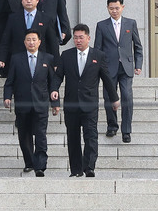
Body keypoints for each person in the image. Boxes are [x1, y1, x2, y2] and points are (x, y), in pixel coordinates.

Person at [51, 23, 119, 178]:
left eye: (81, 37)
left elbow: (107, 79)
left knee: (90, 136)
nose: (78, 40)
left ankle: (89, 167)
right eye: (75, 38)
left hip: (90, 104)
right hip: (71, 104)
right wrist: (54, 89)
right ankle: (76, 169)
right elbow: (58, 76)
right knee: (73, 138)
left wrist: (114, 99)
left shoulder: (98, 56)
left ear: (88, 38)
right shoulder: (66, 55)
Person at [3, 29, 59, 176]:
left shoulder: (48, 58)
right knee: (24, 135)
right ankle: (29, 162)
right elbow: (10, 81)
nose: (31, 42)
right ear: (24, 42)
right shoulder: (16, 58)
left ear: (39, 42)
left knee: (41, 134)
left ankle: (40, 165)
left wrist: (55, 103)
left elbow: (53, 83)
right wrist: (7, 96)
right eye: (28, 39)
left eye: (34, 39)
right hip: (23, 103)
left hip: (41, 103)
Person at [95, 0, 143, 144]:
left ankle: (126, 130)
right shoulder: (102, 25)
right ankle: (112, 125)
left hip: (126, 67)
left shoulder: (131, 23)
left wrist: (138, 65)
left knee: (127, 97)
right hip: (108, 67)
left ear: (122, 7)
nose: (114, 11)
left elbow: (138, 46)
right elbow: (98, 48)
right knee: (109, 97)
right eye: (111, 8)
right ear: (107, 9)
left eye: (117, 8)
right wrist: (97, 67)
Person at [0, 0, 59, 70]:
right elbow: (6, 39)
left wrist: (56, 62)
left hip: (40, 60)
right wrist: (1, 58)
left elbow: (53, 42)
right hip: (18, 59)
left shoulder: (46, 18)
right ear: (21, 1)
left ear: (37, 0)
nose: (28, 1)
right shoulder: (13, 18)